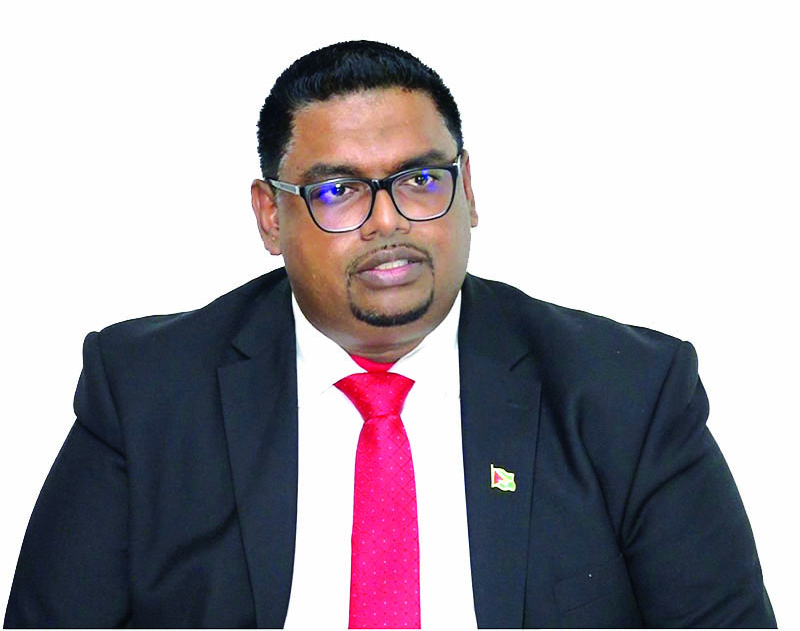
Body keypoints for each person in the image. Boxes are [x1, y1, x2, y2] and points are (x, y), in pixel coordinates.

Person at [4, 40, 775, 629]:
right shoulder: (147, 392)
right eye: (338, 191)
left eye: (420, 180)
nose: (388, 221)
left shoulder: (626, 393)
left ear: (469, 191)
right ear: (270, 217)